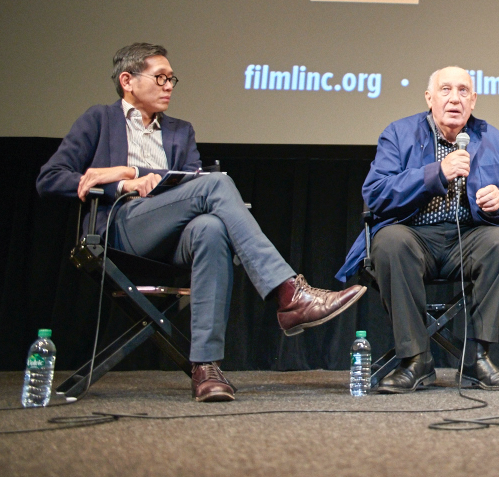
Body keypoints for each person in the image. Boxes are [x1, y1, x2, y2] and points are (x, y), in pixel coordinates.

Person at [37, 43, 366, 402]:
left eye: (171, 79)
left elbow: (191, 181)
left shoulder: (180, 131)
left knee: (211, 228)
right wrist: (120, 183)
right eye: (160, 77)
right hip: (123, 229)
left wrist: (135, 169)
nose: (169, 86)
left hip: (175, 236)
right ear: (127, 80)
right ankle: (289, 293)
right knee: (218, 182)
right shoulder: (98, 120)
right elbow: (50, 179)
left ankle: (206, 367)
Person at [336, 66, 499, 393]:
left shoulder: (493, 139)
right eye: (445, 90)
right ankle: (416, 360)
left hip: (468, 239)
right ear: (429, 98)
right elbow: (375, 192)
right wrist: (436, 173)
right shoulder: (398, 134)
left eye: (463, 91)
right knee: (389, 242)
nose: (454, 98)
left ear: (473, 100)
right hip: (413, 236)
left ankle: (476, 358)